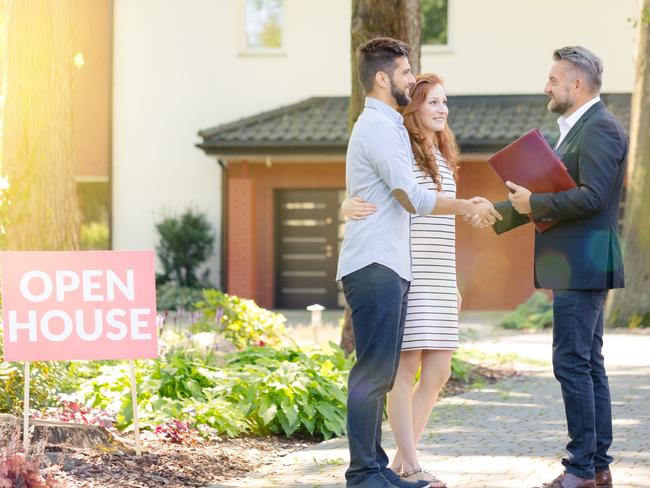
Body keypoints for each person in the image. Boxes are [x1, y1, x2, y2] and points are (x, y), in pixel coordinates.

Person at [336, 36, 501, 488]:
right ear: (384, 78)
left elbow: (382, 190)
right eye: (407, 73)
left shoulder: (385, 125)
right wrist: (467, 204)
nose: (412, 78)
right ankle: (365, 472)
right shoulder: (379, 128)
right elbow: (412, 198)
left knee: (382, 371)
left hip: (392, 264)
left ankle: (378, 469)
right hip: (377, 263)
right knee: (375, 374)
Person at [495, 46, 627, 488]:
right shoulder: (573, 131)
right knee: (586, 363)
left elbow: (592, 197)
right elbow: (548, 191)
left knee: (573, 363)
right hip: (575, 263)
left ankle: (580, 469)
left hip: (583, 263)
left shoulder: (601, 128)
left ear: (576, 84)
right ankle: (597, 466)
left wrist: (534, 202)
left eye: (553, 79)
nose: (546, 87)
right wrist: (494, 212)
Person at [342, 73, 467, 488]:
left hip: (440, 270)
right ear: (413, 107)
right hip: (408, 263)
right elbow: (384, 193)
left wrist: (454, 283)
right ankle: (410, 464)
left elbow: (444, 222)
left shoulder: (445, 153)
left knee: (440, 370)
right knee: (406, 368)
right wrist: (346, 204)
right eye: (432, 102)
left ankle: (398, 459)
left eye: (444, 102)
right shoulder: (401, 148)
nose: (441, 109)